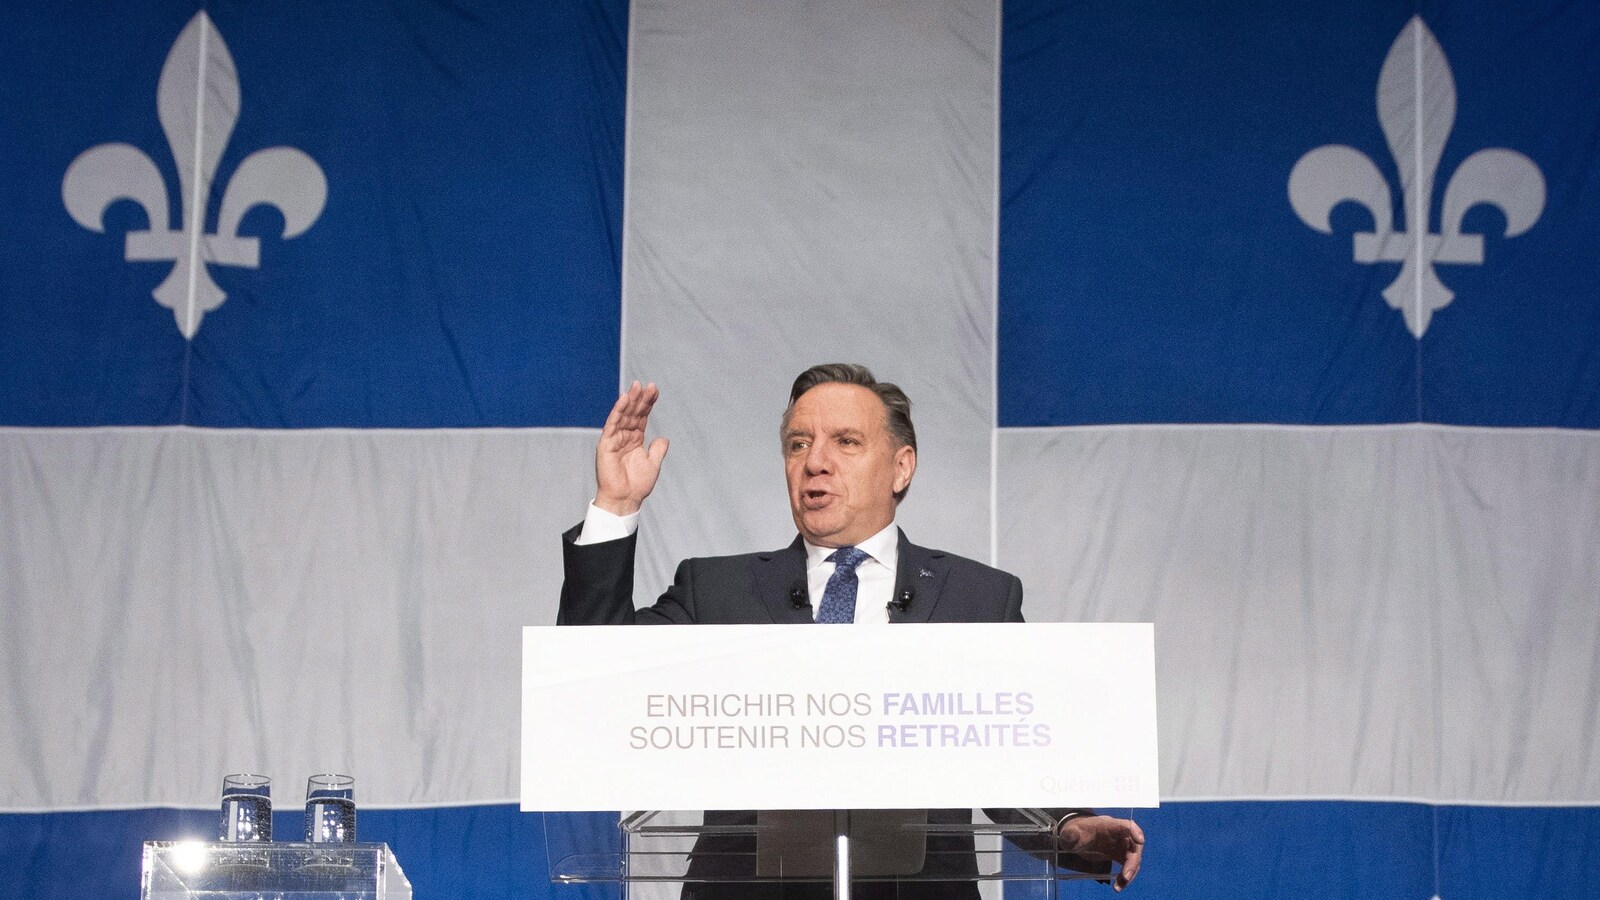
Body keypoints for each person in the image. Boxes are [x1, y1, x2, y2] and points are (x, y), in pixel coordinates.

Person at [559, 364, 1145, 896]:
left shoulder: (979, 598)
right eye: (798, 444)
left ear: (901, 466)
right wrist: (615, 505)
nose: (815, 461)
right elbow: (596, 683)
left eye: (846, 442)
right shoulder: (716, 591)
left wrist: (1068, 826)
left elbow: (1009, 755)